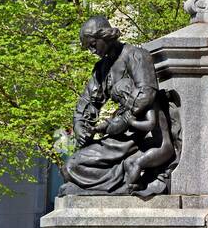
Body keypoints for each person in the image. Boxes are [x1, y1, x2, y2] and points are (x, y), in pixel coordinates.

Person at [59, 15, 180, 198]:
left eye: (93, 44)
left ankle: (122, 180)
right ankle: (115, 180)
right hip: (120, 137)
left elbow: (146, 93)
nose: (92, 51)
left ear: (104, 36)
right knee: (69, 168)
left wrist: (121, 121)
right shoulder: (102, 68)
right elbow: (87, 102)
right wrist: (80, 127)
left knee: (73, 169)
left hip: (141, 136)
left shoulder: (136, 55)